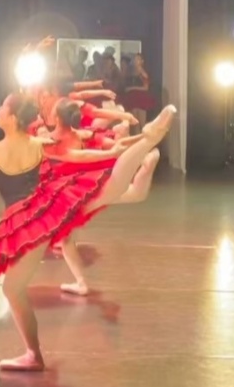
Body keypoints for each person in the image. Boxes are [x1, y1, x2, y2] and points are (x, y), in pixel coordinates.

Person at [0, 43, 176, 372]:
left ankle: (33, 355)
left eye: (2, 107)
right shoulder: (39, 143)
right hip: (52, 207)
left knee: (13, 289)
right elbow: (76, 150)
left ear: (10, 118)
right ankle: (147, 141)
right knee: (111, 189)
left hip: (25, 224)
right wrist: (122, 146)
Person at [43, 98, 158, 296]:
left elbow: (78, 156)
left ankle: (81, 283)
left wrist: (120, 148)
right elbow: (114, 144)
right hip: (88, 187)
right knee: (135, 194)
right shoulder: (81, 135)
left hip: (69, 195)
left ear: (57, 118)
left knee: (65, 239)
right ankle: (146, 163)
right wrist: (141, 139)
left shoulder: (50, 140)